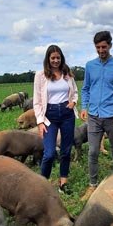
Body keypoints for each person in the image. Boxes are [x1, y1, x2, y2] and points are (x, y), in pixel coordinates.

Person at [80, 31, 113, 198]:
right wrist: (84, 107)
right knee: (93, 151)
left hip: (112, 116)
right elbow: (86, 88)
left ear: (110, 46)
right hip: (93, 116)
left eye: (104, 47)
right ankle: (92, 185)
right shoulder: (90, 66)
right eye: (98, 47)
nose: (101, 50)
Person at [33, 44, 79, 192]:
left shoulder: (67, 73)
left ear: (61, 58)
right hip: (50, 116)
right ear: (48, 59)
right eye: (53, 58)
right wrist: (40, 121)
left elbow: (75, 92)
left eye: (58, 57)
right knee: (49, 153)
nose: (56, 60)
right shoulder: (40, 76)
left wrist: (73, 102)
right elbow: (37, 101)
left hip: (67, 114)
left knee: (66, 150)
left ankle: (63, 183)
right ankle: (42, 185)